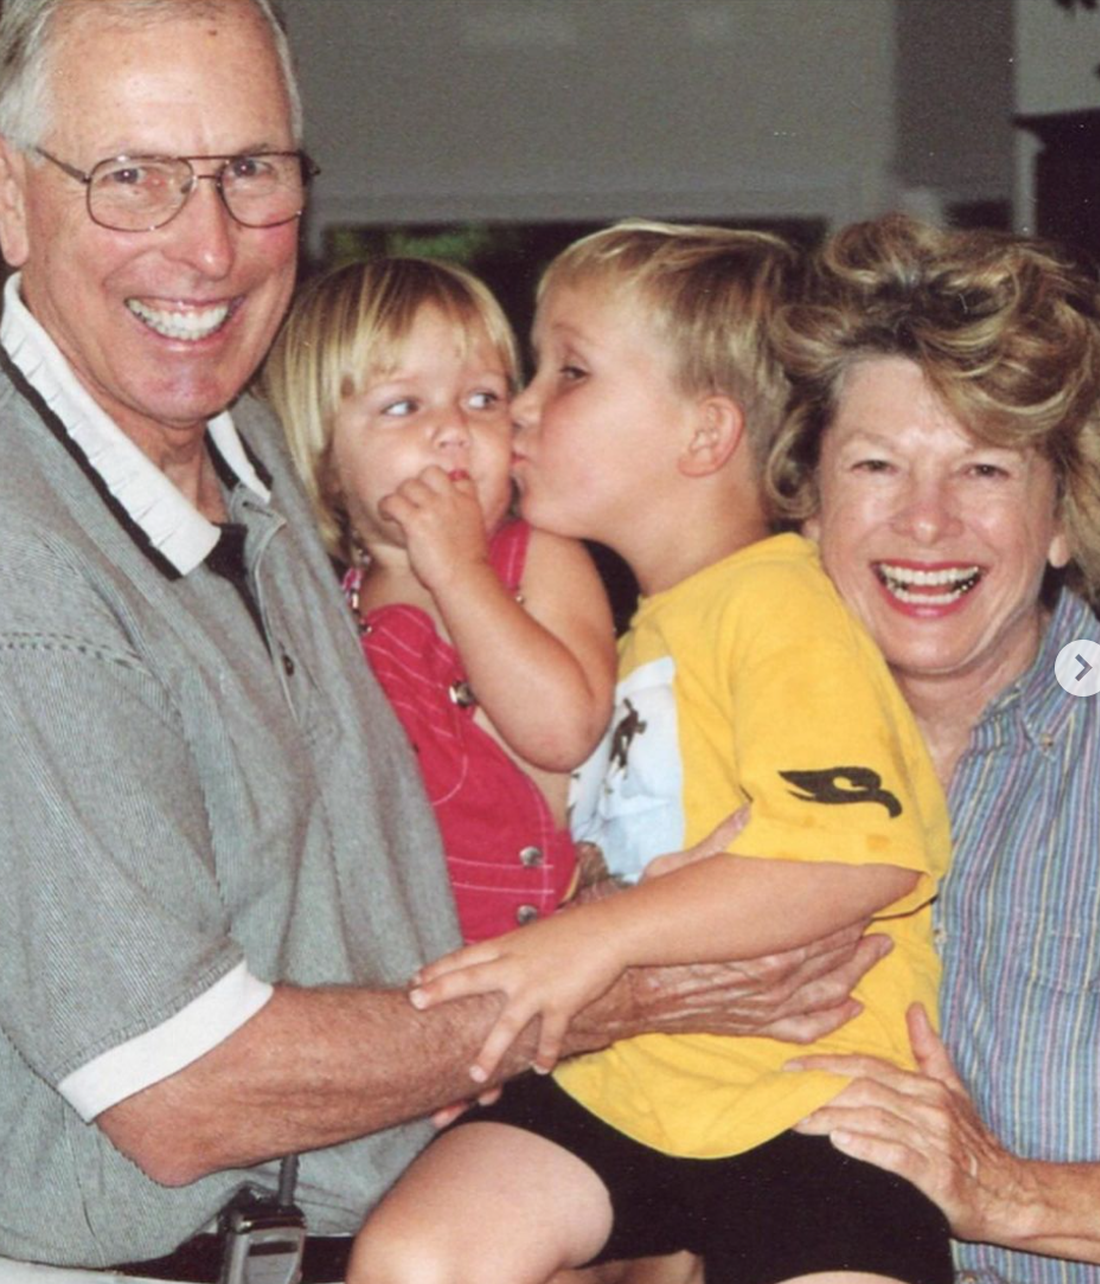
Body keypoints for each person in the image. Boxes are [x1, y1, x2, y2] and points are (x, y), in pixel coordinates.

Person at [0, 1, 891, 1272]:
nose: (207, 245)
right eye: (131, 176)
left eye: (251, 169)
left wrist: (600, 897)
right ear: (11, 200)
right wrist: (618, 987)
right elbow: (182, 1088)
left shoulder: (248, 447)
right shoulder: (28, 573)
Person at [349, 221, 954, 1284]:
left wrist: (587, 942)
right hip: (625, 1088)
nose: (520, 406)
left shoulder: (780, 608)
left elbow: (855, 858)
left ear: (705, 433)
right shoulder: (649, 631)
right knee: (416, 1254)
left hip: (809, 1102)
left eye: (570, 372)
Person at [767, 214, 1100, 1281]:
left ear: (1064, 515)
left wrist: (1002, 1191)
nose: (926, 522)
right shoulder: (717, 754)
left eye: (983, 470)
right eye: (878, 465)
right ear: (810, 506)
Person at [261, 256, 616, 945]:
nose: (455, 429)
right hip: (397, 948)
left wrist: (460, 571)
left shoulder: (538, 559)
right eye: (404, 406)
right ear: (326, 462)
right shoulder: (329, 611)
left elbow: (564, 731)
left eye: (483, 399)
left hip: (537, 942)